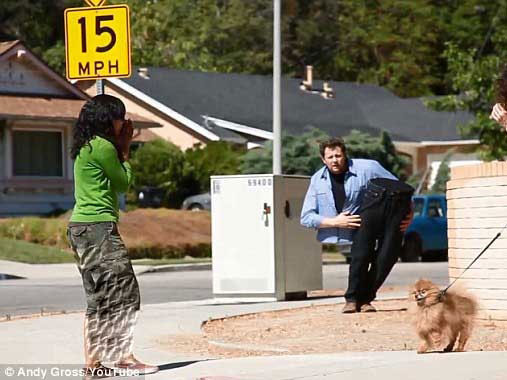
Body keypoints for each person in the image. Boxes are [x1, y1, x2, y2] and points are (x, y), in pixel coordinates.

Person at [67, 94, 158, 378]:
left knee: (99, 299)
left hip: (81, 228)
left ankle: (93, 366)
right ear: (109, 120)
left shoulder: (85, 145)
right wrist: (126, 148)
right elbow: (122, 183)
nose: (124, 123)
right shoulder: (104, 146)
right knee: (124, 294)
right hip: (98, 229)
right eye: (121, 118)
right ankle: (123, 358)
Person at [300, 137, 414, 313]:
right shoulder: (317, 180)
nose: (334, 160)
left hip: (379, 216)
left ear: (345, 155)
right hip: (354, 225)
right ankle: (352, 299)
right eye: (330, 157)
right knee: (360, 257)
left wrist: (409, 213)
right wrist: (335, 221)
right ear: (323, 159)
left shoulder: (368, 167)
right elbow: (306, 217)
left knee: (387, 257)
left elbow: (399, 188)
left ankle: (366, 299)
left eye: (338, 155)